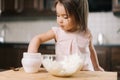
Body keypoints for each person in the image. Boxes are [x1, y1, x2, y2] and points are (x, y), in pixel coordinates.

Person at [27, 0, 104, 71]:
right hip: (64, 73)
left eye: (65, 17)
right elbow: (38, 38)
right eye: (58, 15)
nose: (60, 20)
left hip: (85, 73)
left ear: (79, 15)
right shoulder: (57, 32)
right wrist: (31, 57)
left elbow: (91, 50)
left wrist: (96, 67)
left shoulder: (86, 32)